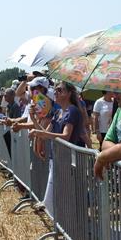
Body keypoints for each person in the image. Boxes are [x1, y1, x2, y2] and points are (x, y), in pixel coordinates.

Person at [28, 81, 83, 215]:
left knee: (62, 197)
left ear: (69, 94)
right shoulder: (58, 111)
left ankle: (64, 228)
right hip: (56, 157)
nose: (56, 92)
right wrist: (33, 119)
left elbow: (65, 136)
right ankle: (58, 225)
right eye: (56, 90)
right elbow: (45, 133)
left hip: (66, 159)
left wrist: (40, 133)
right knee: (55, 197)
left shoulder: (72, 111)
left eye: (60, 90)